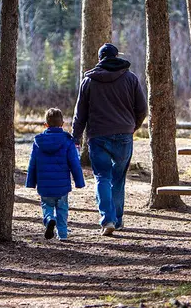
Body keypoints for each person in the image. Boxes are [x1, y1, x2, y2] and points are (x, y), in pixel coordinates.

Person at [72, 43, 147, 236]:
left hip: (98, 136)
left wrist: (76, 137)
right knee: (118, 179)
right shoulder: (130, 78)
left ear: (100, 59)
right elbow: (142, 109)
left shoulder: (88, 81)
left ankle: (108, 220)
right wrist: (132, 126)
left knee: (102, 178)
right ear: (116, 57)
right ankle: (118, 220)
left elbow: (80, 114)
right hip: (124, 135)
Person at [26, 108, 85, 241]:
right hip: (62, 186)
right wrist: (79, 182)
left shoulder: (38, 143)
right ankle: (63, 234)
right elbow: (74, 163)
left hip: (44, 185)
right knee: (62, 209)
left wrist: (30, 182)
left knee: (47, 205)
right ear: (62, 124)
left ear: (45, 125)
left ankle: (49, 219)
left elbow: (32, 163)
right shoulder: (68, 141)